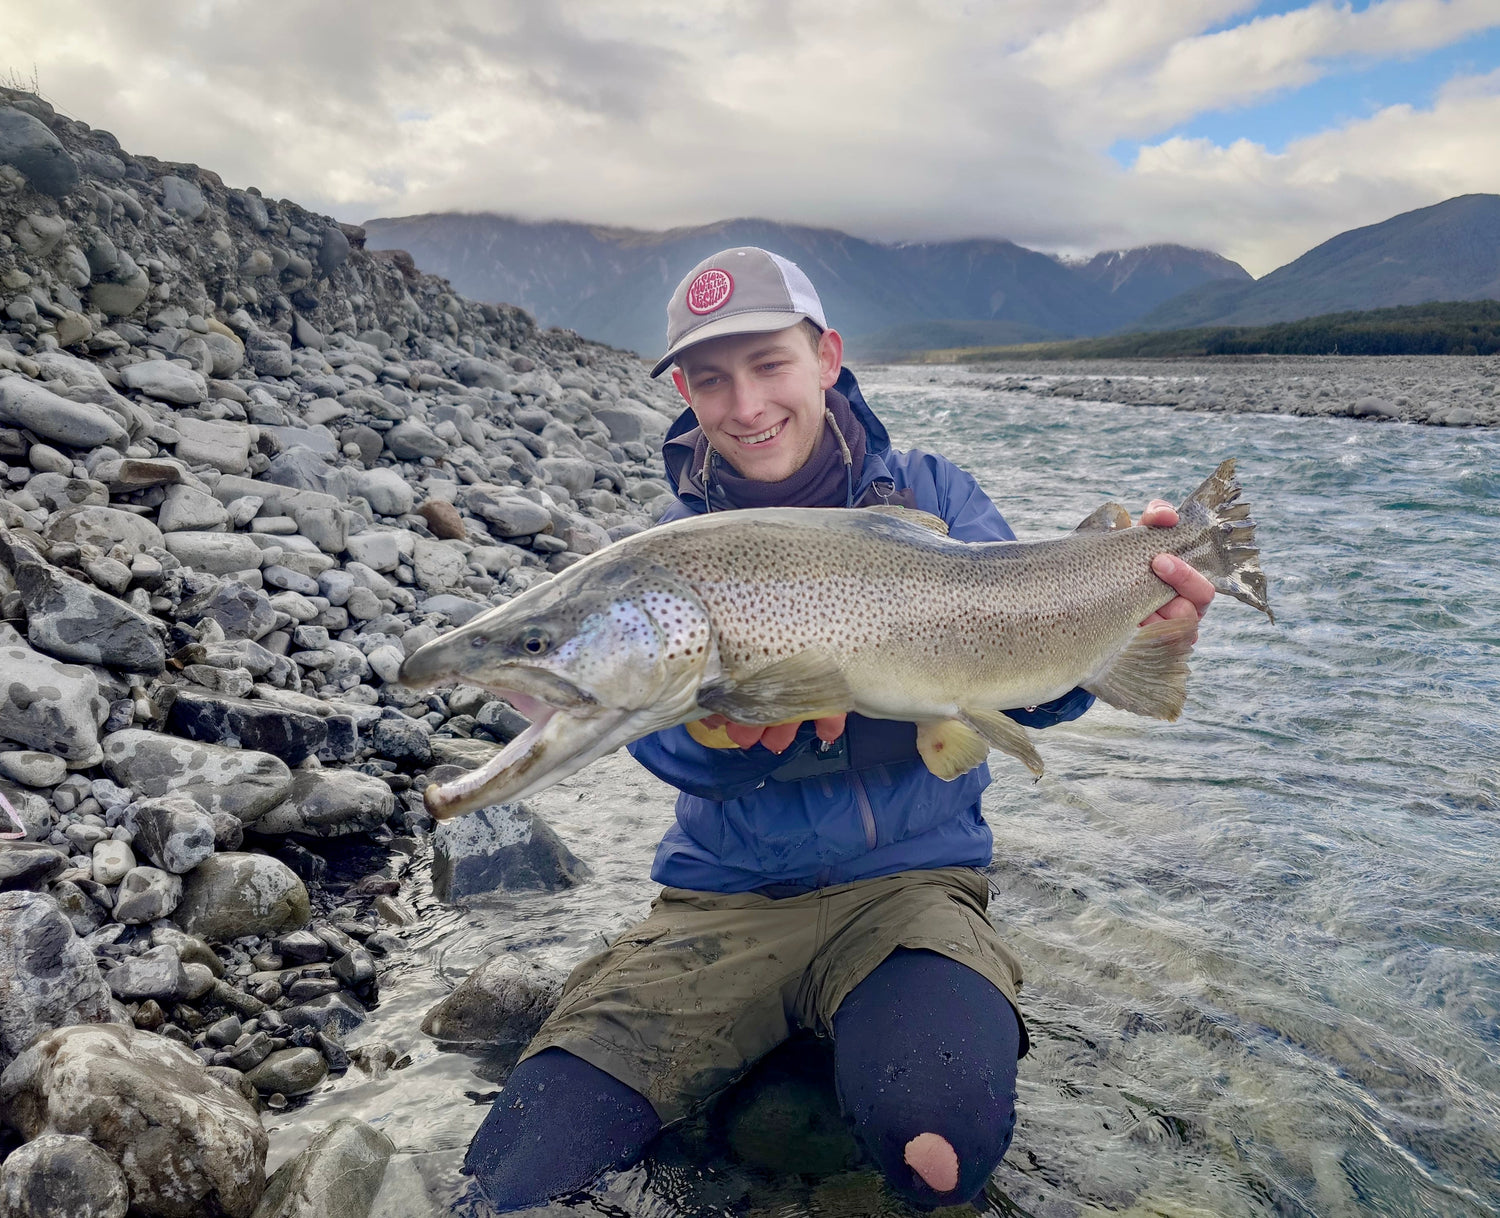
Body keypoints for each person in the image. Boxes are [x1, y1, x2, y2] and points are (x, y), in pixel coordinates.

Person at [463, 247, 1216, 1210]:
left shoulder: (935, 497)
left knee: (940, 1158)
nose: (743, 406)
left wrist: (1130, 625)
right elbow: (648, 740)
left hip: (912, 890)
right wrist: (729, 735)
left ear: (827, 359)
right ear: (685, 393)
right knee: (511, 1176)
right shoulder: (664, 554)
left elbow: (1033, 686)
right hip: (723, 905)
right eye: (710, 379)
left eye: (770, 364)